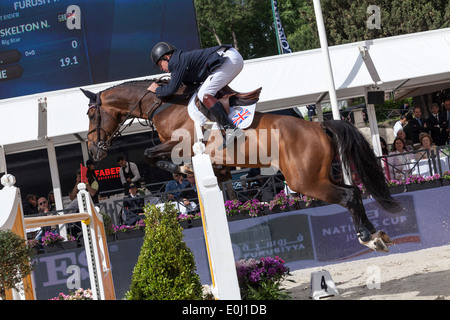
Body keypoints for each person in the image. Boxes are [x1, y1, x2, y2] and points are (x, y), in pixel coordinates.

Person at [147, 42, 245, 150]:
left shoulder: (176, 61)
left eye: (160, 64)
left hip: (229, 59)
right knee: (202, 92)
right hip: (229, 59)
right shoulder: (179, 60)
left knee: (204, 94)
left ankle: (232, 130)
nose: (161, 68)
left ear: (166, 57)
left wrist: (157, 89)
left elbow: (171, 89)